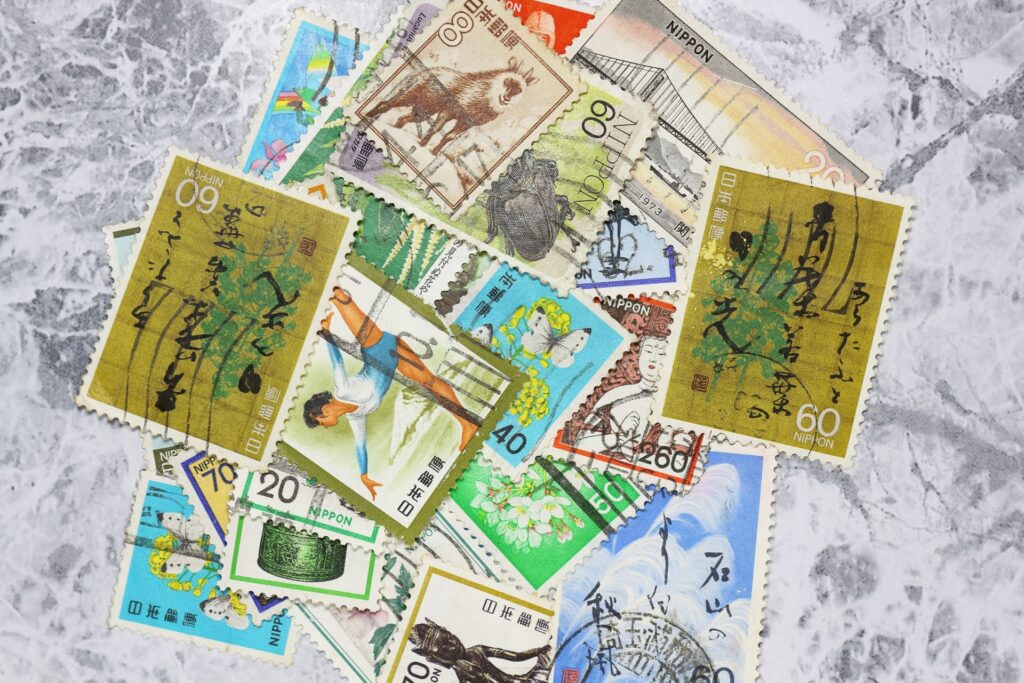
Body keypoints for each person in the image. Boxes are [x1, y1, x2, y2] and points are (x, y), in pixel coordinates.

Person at [303, 287, 476, 500]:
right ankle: (468, 424)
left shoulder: (342, 390)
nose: (324, 426)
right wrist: (364, 476)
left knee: (341, 299)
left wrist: (326, 333)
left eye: (320, 422)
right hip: (393, 353)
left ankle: (333, 286)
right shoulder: (356, 416)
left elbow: (336, 362)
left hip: (374, 344)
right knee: (430, 383)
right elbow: (360, 446)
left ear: (323, 411)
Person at [408, 618, 551, 683]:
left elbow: (515, 656)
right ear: (434, 659)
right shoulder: (463, 677)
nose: (453, 646)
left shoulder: (477, 650)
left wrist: (538, 650)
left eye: (449, 637)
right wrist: (481, 676)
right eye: (443, 649)